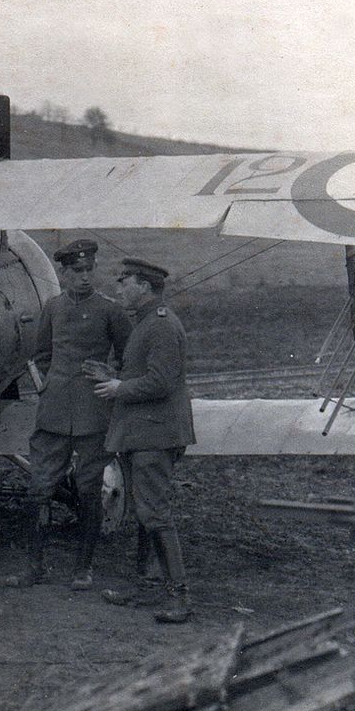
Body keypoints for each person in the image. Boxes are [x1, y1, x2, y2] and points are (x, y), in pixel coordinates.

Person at [0, 239, 131, 590]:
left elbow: (129, 358)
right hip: (54, 415)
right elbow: (41, 355)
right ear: (63, 272)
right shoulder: (54, 308)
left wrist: (111, 377)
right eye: (77, 271)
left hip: (93, 414)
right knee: (39, 488)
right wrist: (48, 387)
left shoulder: (110, 311)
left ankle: (83, 569)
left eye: (90, 270)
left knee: (88, 491)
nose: (85, 277)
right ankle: (34, 566)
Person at [90, 257, 197, 624]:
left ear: (145, 286)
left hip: (155, 434)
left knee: (155, 513)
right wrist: (114, 376)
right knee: (145, 511)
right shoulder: (149, 323)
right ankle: (147, 586)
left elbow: (161, 382)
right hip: (144, 432)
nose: (119, 288)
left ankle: (178, 598)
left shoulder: (162, 326)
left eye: (125, 281)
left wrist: (120, 387)